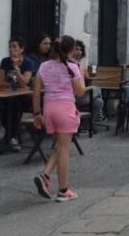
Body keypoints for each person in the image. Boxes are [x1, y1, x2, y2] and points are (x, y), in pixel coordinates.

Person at [31, 35, 87, 202]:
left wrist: (36, 114)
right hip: (65, 108)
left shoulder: (44, 66)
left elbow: (36, 92)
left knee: (61, 146)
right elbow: (80, 92)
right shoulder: (72, 67)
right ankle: (63, 190)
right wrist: (81, 72)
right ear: (70, 50)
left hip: (49, 108)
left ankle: (45, 175)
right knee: (64, 151)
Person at [0, 37, 37, 150]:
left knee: (15, 104)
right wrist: (13, 85)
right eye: (10, 46)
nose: (11, 49)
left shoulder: (28, 62)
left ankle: (8, 133)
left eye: (14, 46)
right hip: (6, 95)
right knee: (7, 104)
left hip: (23, 97)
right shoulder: (5, 61)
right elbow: (0, 82)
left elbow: (24, 83)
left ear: (21, 49)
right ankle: (10, 136)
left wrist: (16, 68)